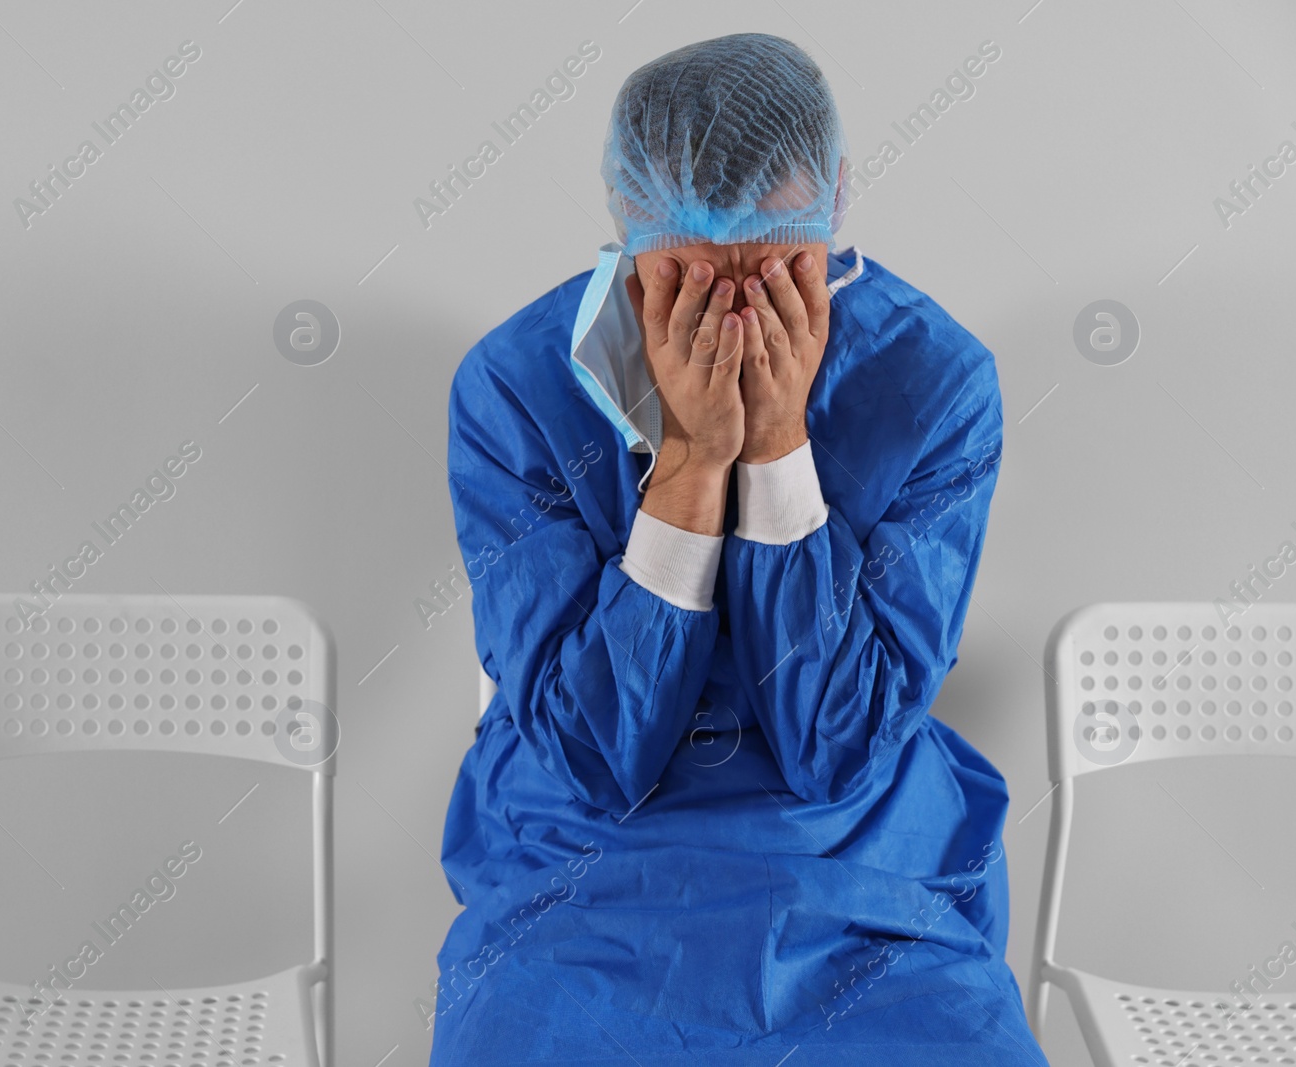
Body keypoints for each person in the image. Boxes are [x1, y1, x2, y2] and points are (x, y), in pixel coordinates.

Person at [429, 33, 1048, 1066]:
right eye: (683, 276)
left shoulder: (933, 384)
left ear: (836, 203)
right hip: (588, 863)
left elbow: (838, 744)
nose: (733, 315)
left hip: (856, 858)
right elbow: (591, 751)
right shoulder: (516, 388)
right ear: (626, 223)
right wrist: (690, 459)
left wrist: (775, 449)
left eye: (774, 269)